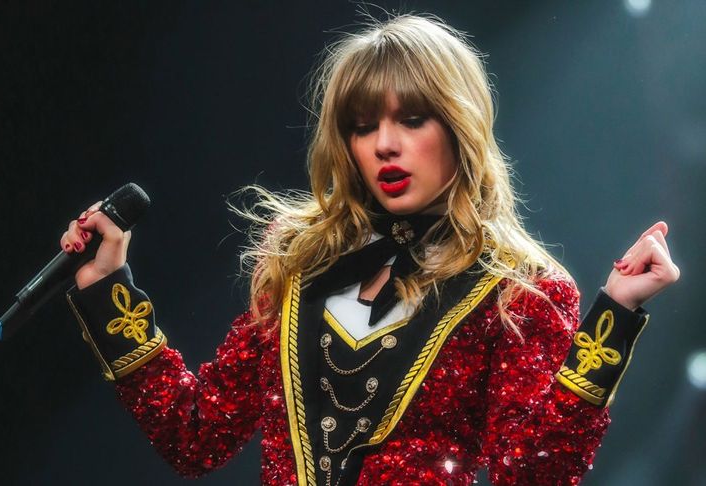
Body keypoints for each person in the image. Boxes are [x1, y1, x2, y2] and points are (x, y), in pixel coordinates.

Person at [60, 15, 679, 486]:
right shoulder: (297, 263)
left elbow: (534, 474)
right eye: (362, 125)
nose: (385, 144)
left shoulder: (520, 292)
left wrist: (615, 315)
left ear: (458, 126)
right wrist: (109, 283)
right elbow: (195, 435)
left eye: (411, 119)